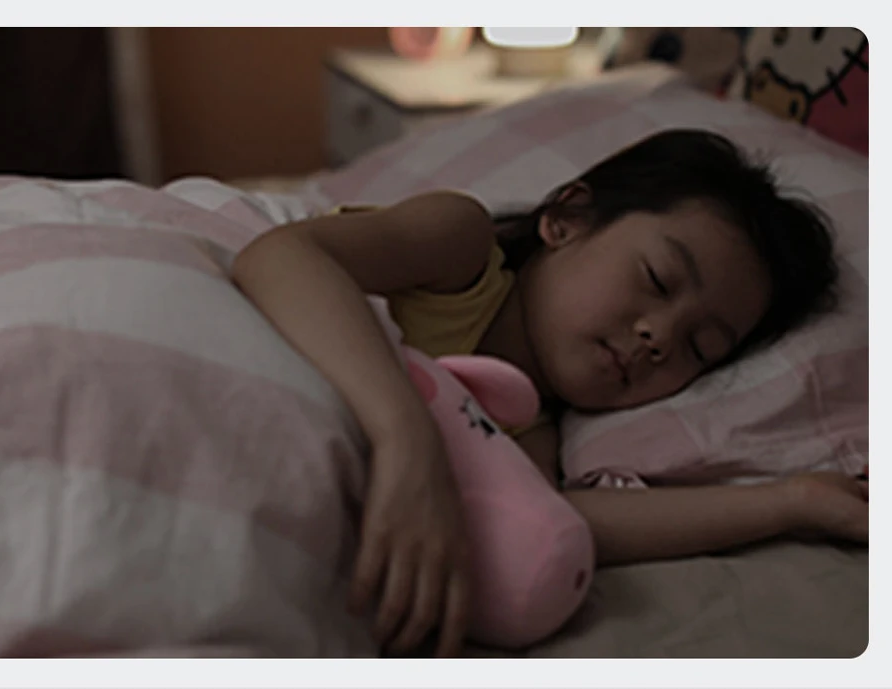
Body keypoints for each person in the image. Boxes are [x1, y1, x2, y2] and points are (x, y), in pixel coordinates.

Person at [231, 129, 867, 657]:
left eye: (700, 348)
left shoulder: (529, 432)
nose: (658, 337)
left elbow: (563, 521)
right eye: (657, 279)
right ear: (567, 219)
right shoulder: (459, 250)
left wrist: (792, 502)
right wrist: (406, 437)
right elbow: (280, 257)